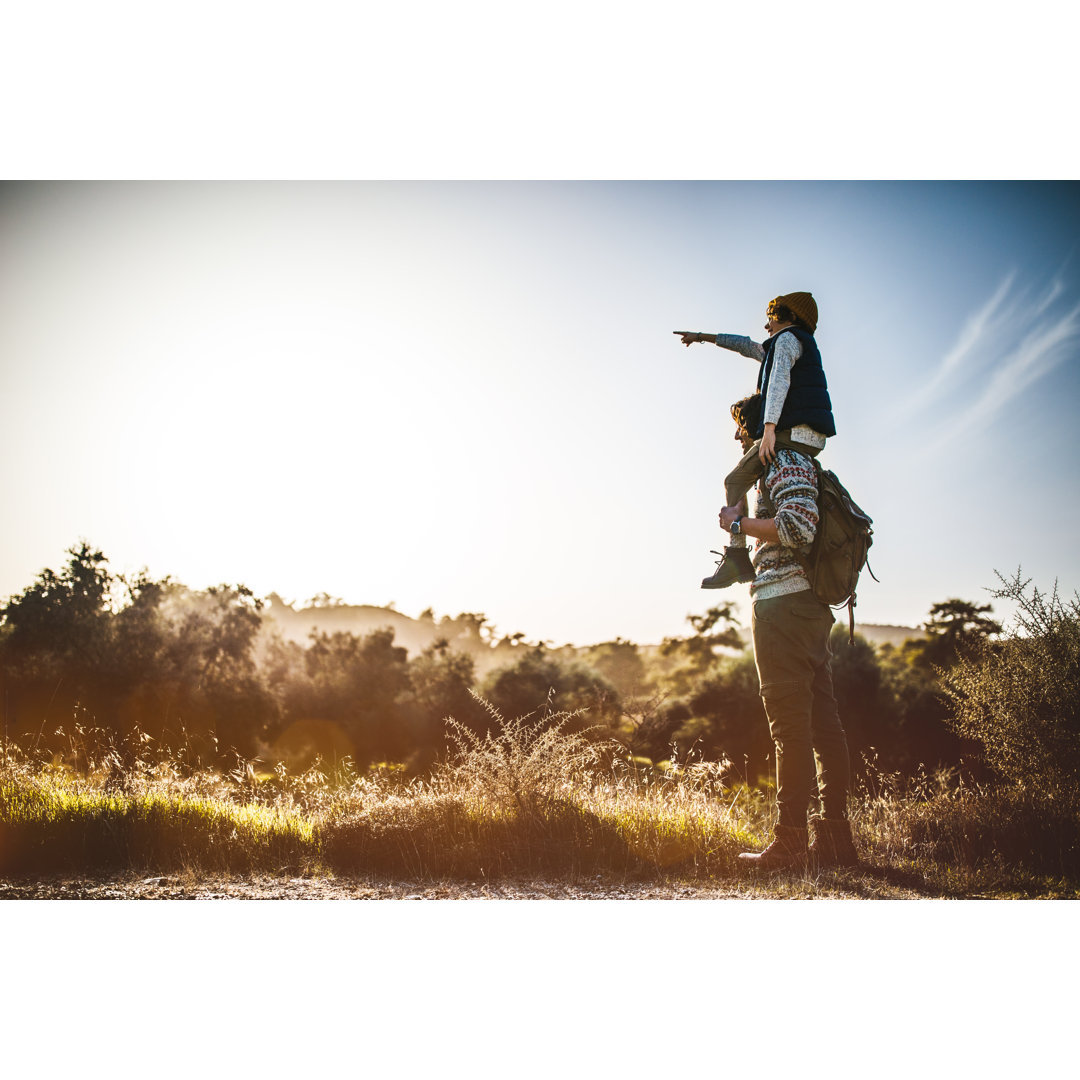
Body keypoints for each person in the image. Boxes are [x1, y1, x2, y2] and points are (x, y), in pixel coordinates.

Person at [713, 392, 857, 871]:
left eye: (740, 432)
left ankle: (790, 844)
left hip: (784, 607)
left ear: (756, 430)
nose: (738, 441)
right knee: (823, 726)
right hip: (807, 609)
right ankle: (836, 841)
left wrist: (740, 521)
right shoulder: (796, 460)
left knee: (790, 729)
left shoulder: (783, 462)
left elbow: (799, 527)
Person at [675, 291, 835, 590]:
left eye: (770, 318)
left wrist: (769, 428)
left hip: (791, 433)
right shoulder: (794, 344)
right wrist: (702, 336)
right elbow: (746, 346)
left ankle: (736, 556)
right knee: (748, 478)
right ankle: (740, 558)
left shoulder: (788, 340)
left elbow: (777, 383)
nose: (767, 327)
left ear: (786, 316)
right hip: (809, 435)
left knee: (734, 481)